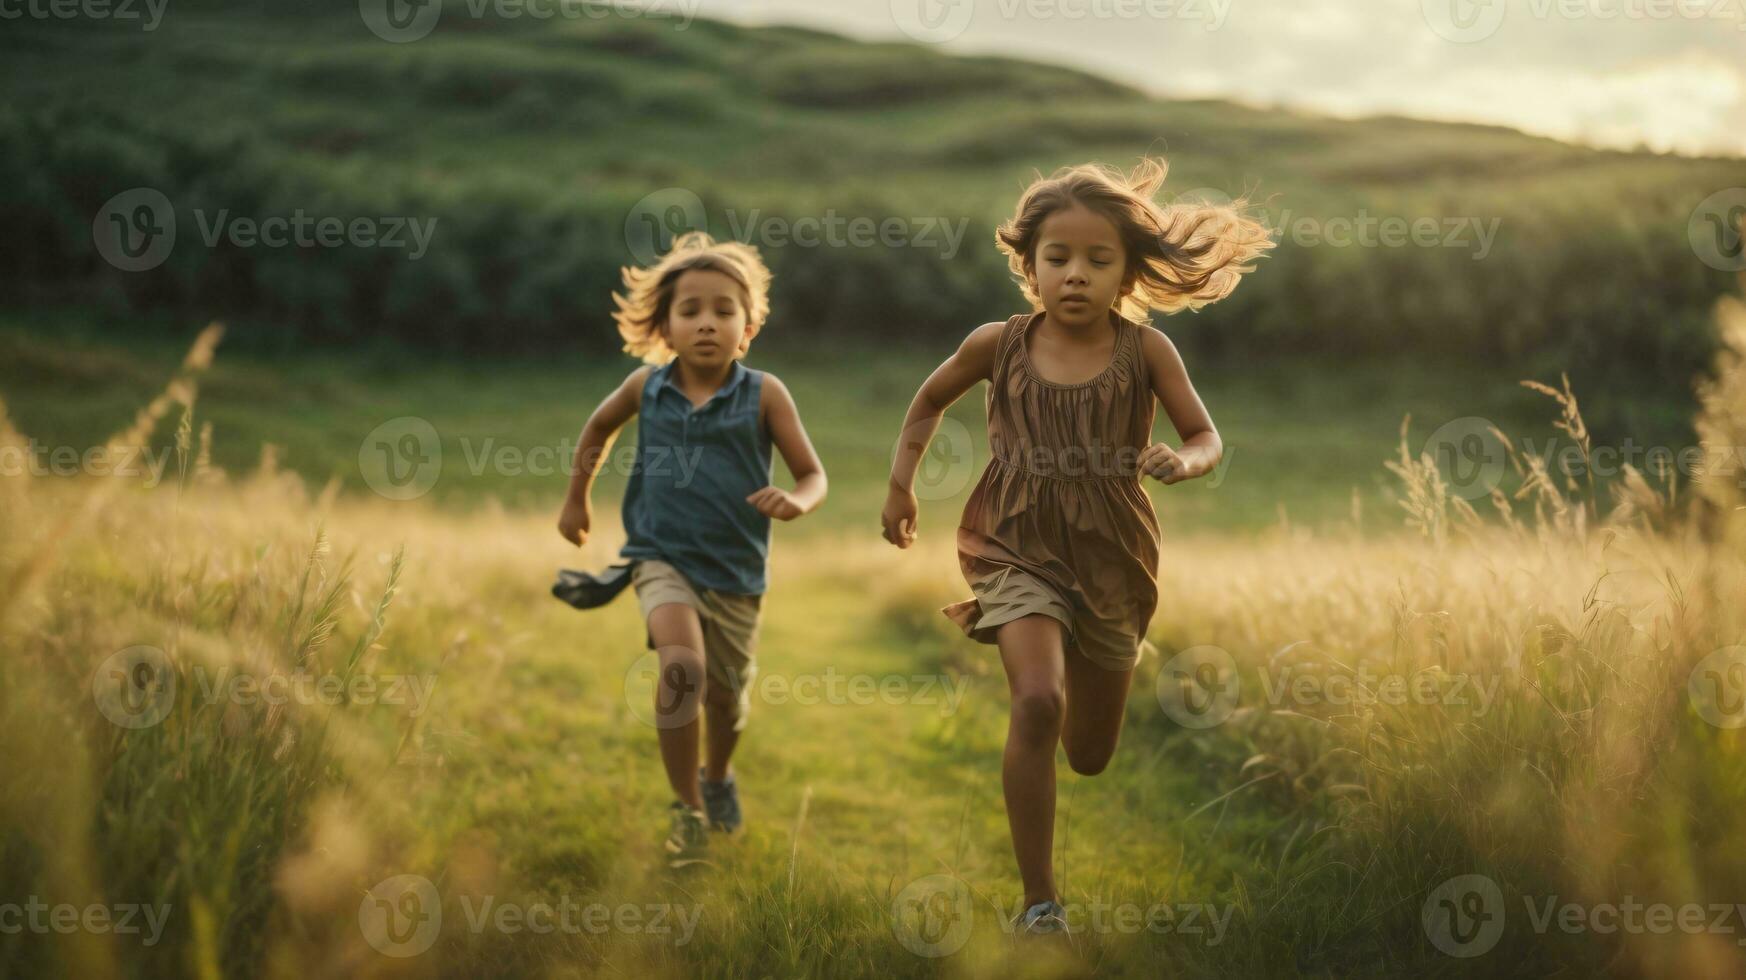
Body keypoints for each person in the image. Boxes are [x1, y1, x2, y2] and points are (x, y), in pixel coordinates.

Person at [880, 159, 1271, 932]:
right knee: (1037, 702)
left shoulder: (1148, 353)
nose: (1076, 275)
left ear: (1128, 271)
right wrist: (900, 485)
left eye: (1099, 260)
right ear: (1029, 265)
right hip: (1013, 541)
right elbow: (927, 399)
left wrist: (1185, 461)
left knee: (1089, 752)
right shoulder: (997, 344)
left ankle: (1062, 727)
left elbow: (1204, 433)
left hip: (1112, 554)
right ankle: (1040, 904)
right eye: (1058, 257)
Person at [559, 232, 827, 866]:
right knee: (682, 668)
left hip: (736, 574)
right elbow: (597, 427)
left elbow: (812, 473)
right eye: (691, 311)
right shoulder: (644, 388)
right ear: (665, 326)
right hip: (660, 557)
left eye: (724, 310)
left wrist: (797, 501)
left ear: (749, 325)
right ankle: (687, 811)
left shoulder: (765, 394)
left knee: (727, 704)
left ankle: (716, 776)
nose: (708, 323)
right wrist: (577, 499)